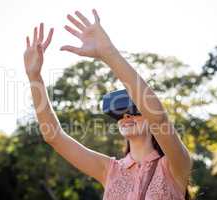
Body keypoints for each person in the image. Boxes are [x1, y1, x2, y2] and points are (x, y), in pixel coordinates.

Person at [23, 9, 192, 200]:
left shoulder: (175, 165)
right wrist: (34, 78)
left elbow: (159, 118)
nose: (125, 117)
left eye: (134, 111)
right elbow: (53, 136)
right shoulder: (109, 170)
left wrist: (107, 53)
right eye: (119, 114)